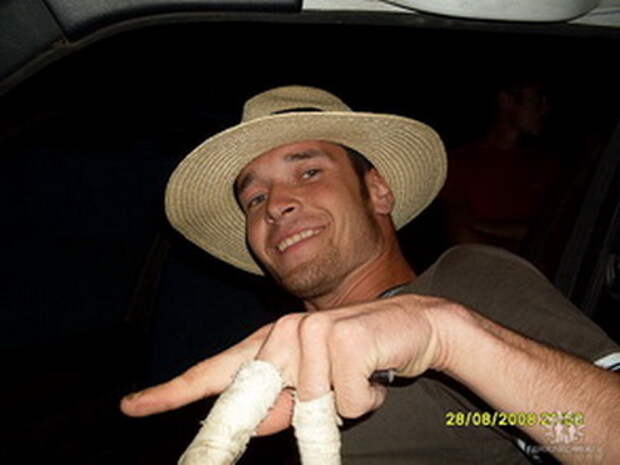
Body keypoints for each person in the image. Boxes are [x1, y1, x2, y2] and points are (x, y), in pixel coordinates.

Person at [120, 85, 620, 464]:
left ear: (378, 191)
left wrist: (444, 336)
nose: (275, 205)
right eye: (254, 198)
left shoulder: (462, 284)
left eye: (309, 172)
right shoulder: (270, 364)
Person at [441, 78, 560, 253]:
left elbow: (553, 233)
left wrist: (480, 226)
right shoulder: (460, 161)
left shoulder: (547, 165)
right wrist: (524, 241)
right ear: (506, 100)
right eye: (538, 98)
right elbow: (462, 238)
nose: (545, 108)